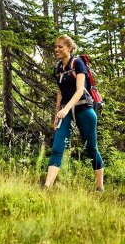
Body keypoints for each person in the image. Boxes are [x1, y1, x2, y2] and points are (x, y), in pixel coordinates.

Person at [44, 35, 104, 191]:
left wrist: (65, 108)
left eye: (60, 47)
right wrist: (57, 112)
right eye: (56, 46)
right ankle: (46, 187)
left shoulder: (78, 63)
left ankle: (100, 187)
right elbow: (60, 91)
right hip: (65, 112)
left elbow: (79, 91)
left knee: (91, 148)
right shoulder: (57, 67)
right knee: (57, 147)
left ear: (69, 48)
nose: (56, 49)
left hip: (84, 109)